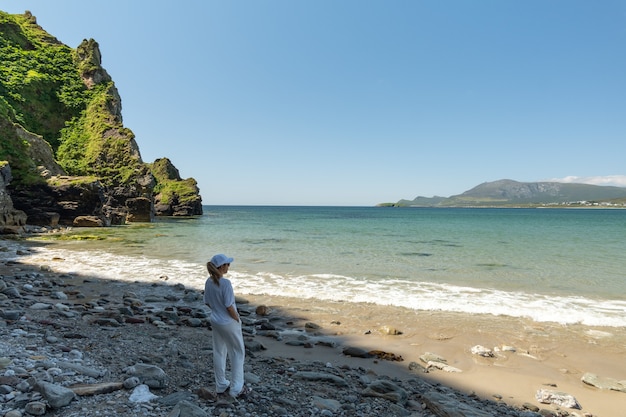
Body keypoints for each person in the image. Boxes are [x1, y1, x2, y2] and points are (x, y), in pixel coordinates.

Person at [204, 254, 248, 398]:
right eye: (227, 264)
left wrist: (217, 310)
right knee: (237, 353)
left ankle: (221, 384)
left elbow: (207, 302)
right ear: (221, 267)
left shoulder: (208, 282)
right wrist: (237, 319)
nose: (229, 266)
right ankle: (236, 388)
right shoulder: (226, 284)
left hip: (215, 320)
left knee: (219, 351)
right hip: (228, 322)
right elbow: (229, 306)